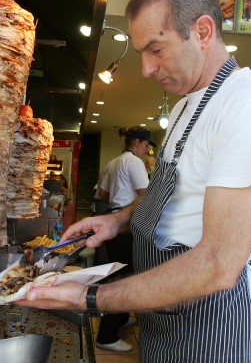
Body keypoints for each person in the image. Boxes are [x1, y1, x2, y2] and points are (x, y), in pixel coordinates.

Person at [16, 0, 251, 362]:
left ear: (202, 31)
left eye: (156, 49)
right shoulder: (185, 105)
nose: (146, 69)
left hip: (211, 326)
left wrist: (91, 297)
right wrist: (119, 219)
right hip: (162, 318)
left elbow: (219, 264)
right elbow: (171, 194)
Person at [94, 126, 154, 353]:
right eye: (147, 145)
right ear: (137, 142)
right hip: (126, 224)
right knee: (123, 277)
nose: (147, 150)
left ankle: (119, 320)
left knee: (118, 271)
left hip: (113, 218)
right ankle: (106, 336)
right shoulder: (135, 162)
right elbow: (146, 196)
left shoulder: (114, 162)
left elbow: (104, 195)